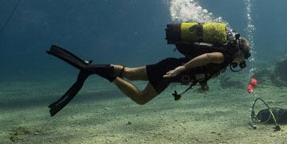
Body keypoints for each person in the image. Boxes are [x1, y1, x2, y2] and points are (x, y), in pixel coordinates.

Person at [46, 33, 251, 116]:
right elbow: (206, 57)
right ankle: (107, 74)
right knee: (141, 99)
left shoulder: (224, 61)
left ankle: (98, 69)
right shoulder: (223, 56)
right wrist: (182, 69)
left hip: (169, 66)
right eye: (245, 57)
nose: (244, 61)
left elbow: (205, 70)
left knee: (131, 73)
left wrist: (203, 84)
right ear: (239, 52)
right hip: (170, 72)